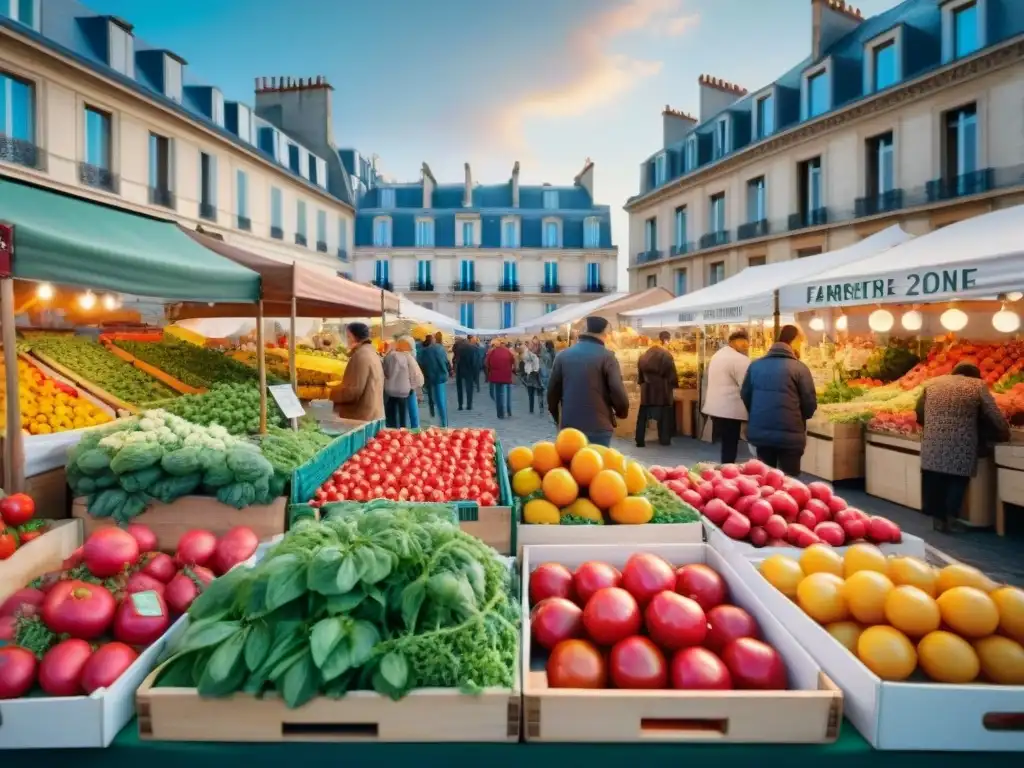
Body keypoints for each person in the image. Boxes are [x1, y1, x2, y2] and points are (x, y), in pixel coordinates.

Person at [916, 362, 1010, 532]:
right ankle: (952, 517)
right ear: (974, 375)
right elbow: (992, 413)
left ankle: (938, 519)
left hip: (933, 441)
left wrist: (932, 426)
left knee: (936, 479)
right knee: (957, 480)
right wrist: (1003, 432)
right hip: (962, 442)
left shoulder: (933, 383)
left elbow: (920, 410)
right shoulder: (977, 385)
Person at [740, 324, 817, 476]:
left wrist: (757, 412)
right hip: (790, 432)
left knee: (765, 477)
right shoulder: (800, 368)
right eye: (800, 341)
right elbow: (809, 402)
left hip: (761, 431)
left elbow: (745, 394)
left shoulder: (755, 366)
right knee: (790, 480)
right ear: (794, 341)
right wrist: (800, 417)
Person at [547, 316, 629, 446]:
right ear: (605, 333)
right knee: (596, 464)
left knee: (571, 464)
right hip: (598, 425)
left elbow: (552, 393)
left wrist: (557, 418)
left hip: (570, 425)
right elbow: (617, 389)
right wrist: (622, 412)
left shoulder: (562, 356)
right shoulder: (607, 357)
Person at [703, 329, 752, 463]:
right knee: (730, 443)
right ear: (737, 341)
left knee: (726, 442)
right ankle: (727, 468)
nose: (747, 346)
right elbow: (747, 385)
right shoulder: (740, 360)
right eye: (745, 343)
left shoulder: (717, 355)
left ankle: (726, 466)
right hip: (730, 408)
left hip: (716, 407)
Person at [330, 322, 384, 421]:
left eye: (349, 336)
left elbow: (353, 391)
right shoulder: (371, 352)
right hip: (372, 412)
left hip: (361, 416)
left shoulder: (360, 356)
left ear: (355, 337)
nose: (347, 340)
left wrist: (330, 393)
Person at [636, 331, 678, 448]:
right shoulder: (667, 356)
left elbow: (640, 378)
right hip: (662, 393)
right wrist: (673, 385)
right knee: (665, 417)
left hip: (646, 393)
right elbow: (672, 377)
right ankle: (664, 439)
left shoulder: (642, 357)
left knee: (642, 417)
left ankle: (639, 440)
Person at [381, 336, 423, 428]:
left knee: (391, 413)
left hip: (390, 391)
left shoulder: (388, 357)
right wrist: (414, 386)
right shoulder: (409, 357)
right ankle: (407, 429)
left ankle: (391, 430)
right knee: (403, 414)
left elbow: (385, 372)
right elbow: (416, 375)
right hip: (404, 391)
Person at [417, 333, 452, 427]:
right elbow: (446, 361)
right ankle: (444, 422)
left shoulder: (422, 351)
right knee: (441, 399)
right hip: (440, 376)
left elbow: (421, 363)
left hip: (429, 377)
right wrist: (448, 371)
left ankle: (432, 411)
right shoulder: (440, 348)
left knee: (432, 396)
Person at [486, 342, 516, 419]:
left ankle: (500, 413)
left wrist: (490, 370)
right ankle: (509, 411)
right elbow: (513, 361)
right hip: (507, 375)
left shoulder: (492, 352)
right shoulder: (508, 351)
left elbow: (487, 363)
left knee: (499, 395)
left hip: (496, 376)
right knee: (507, 393)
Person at [452, 334, 479, 411]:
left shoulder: (457, 347)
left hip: (459, 369)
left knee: (459, 388)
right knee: (469, 388)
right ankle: (469, 405)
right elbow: (474, 361)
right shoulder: (472, 348)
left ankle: (460, 405)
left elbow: (455, 358)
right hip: (469, 369)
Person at [520, 342, 544, 415]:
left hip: (535, 375)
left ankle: (535, 409)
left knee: (534, 394)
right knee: (535, 394)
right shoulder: (529, 355)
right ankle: (537, 409)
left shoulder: (531, 356)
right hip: (533, 375)